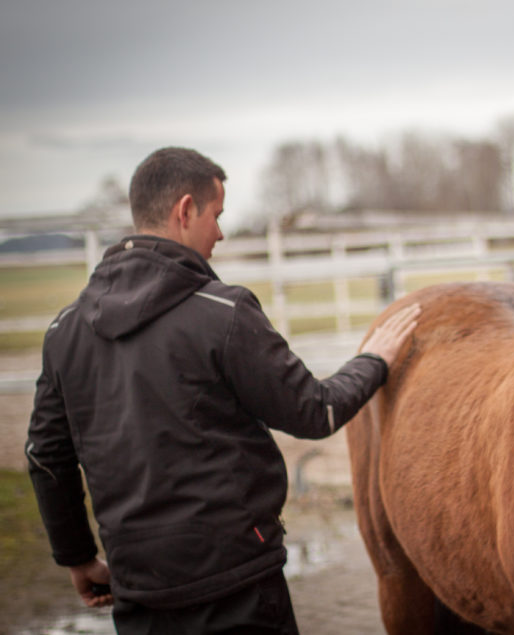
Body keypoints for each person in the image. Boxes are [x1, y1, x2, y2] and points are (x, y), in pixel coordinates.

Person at [25, 146, 420, 634]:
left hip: (138, 586)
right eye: (217, 215)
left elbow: (46, 457)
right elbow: (315, 413)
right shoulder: (223, 313)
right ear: (185, 210)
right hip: (236, 584)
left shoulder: (64, 331)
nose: (221, 232)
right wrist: (374, 360)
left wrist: (78, 558)